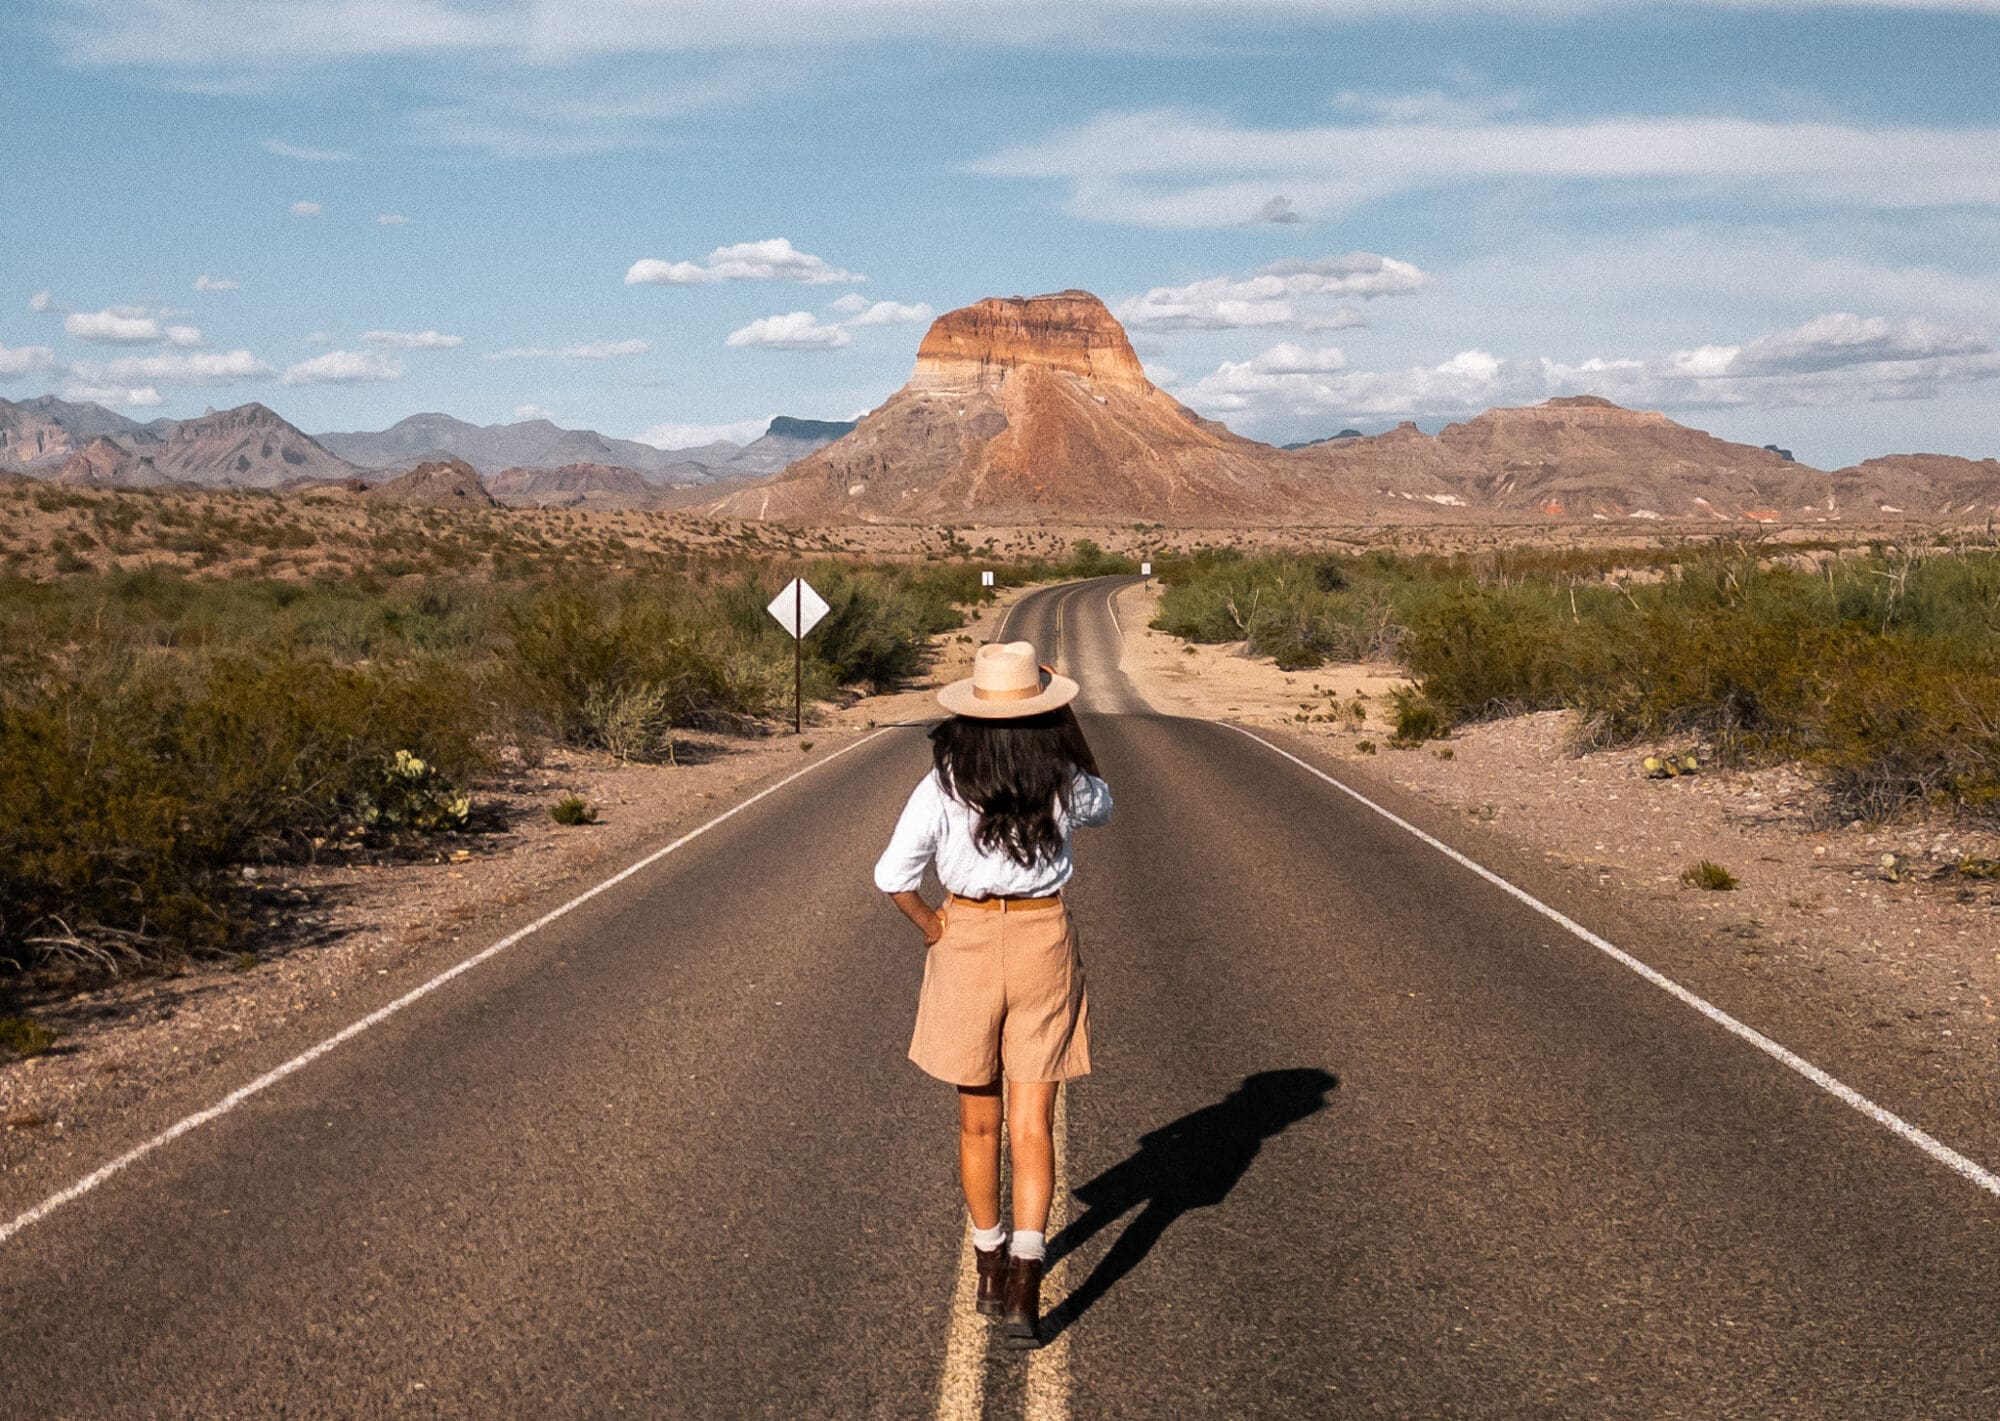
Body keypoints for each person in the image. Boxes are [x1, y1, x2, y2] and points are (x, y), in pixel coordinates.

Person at [874, 640, 1113, 1350]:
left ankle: (986, 1264)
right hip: (1043, 940)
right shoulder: (1063, 776)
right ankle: (1025, 1283)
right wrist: (1067, 731)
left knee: (979, 1123)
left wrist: (930, 925)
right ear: (1044, 709)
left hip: (967, 939)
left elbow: (893, 873)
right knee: (1032, 1123)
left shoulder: (944, 782)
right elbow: (1105, 804)